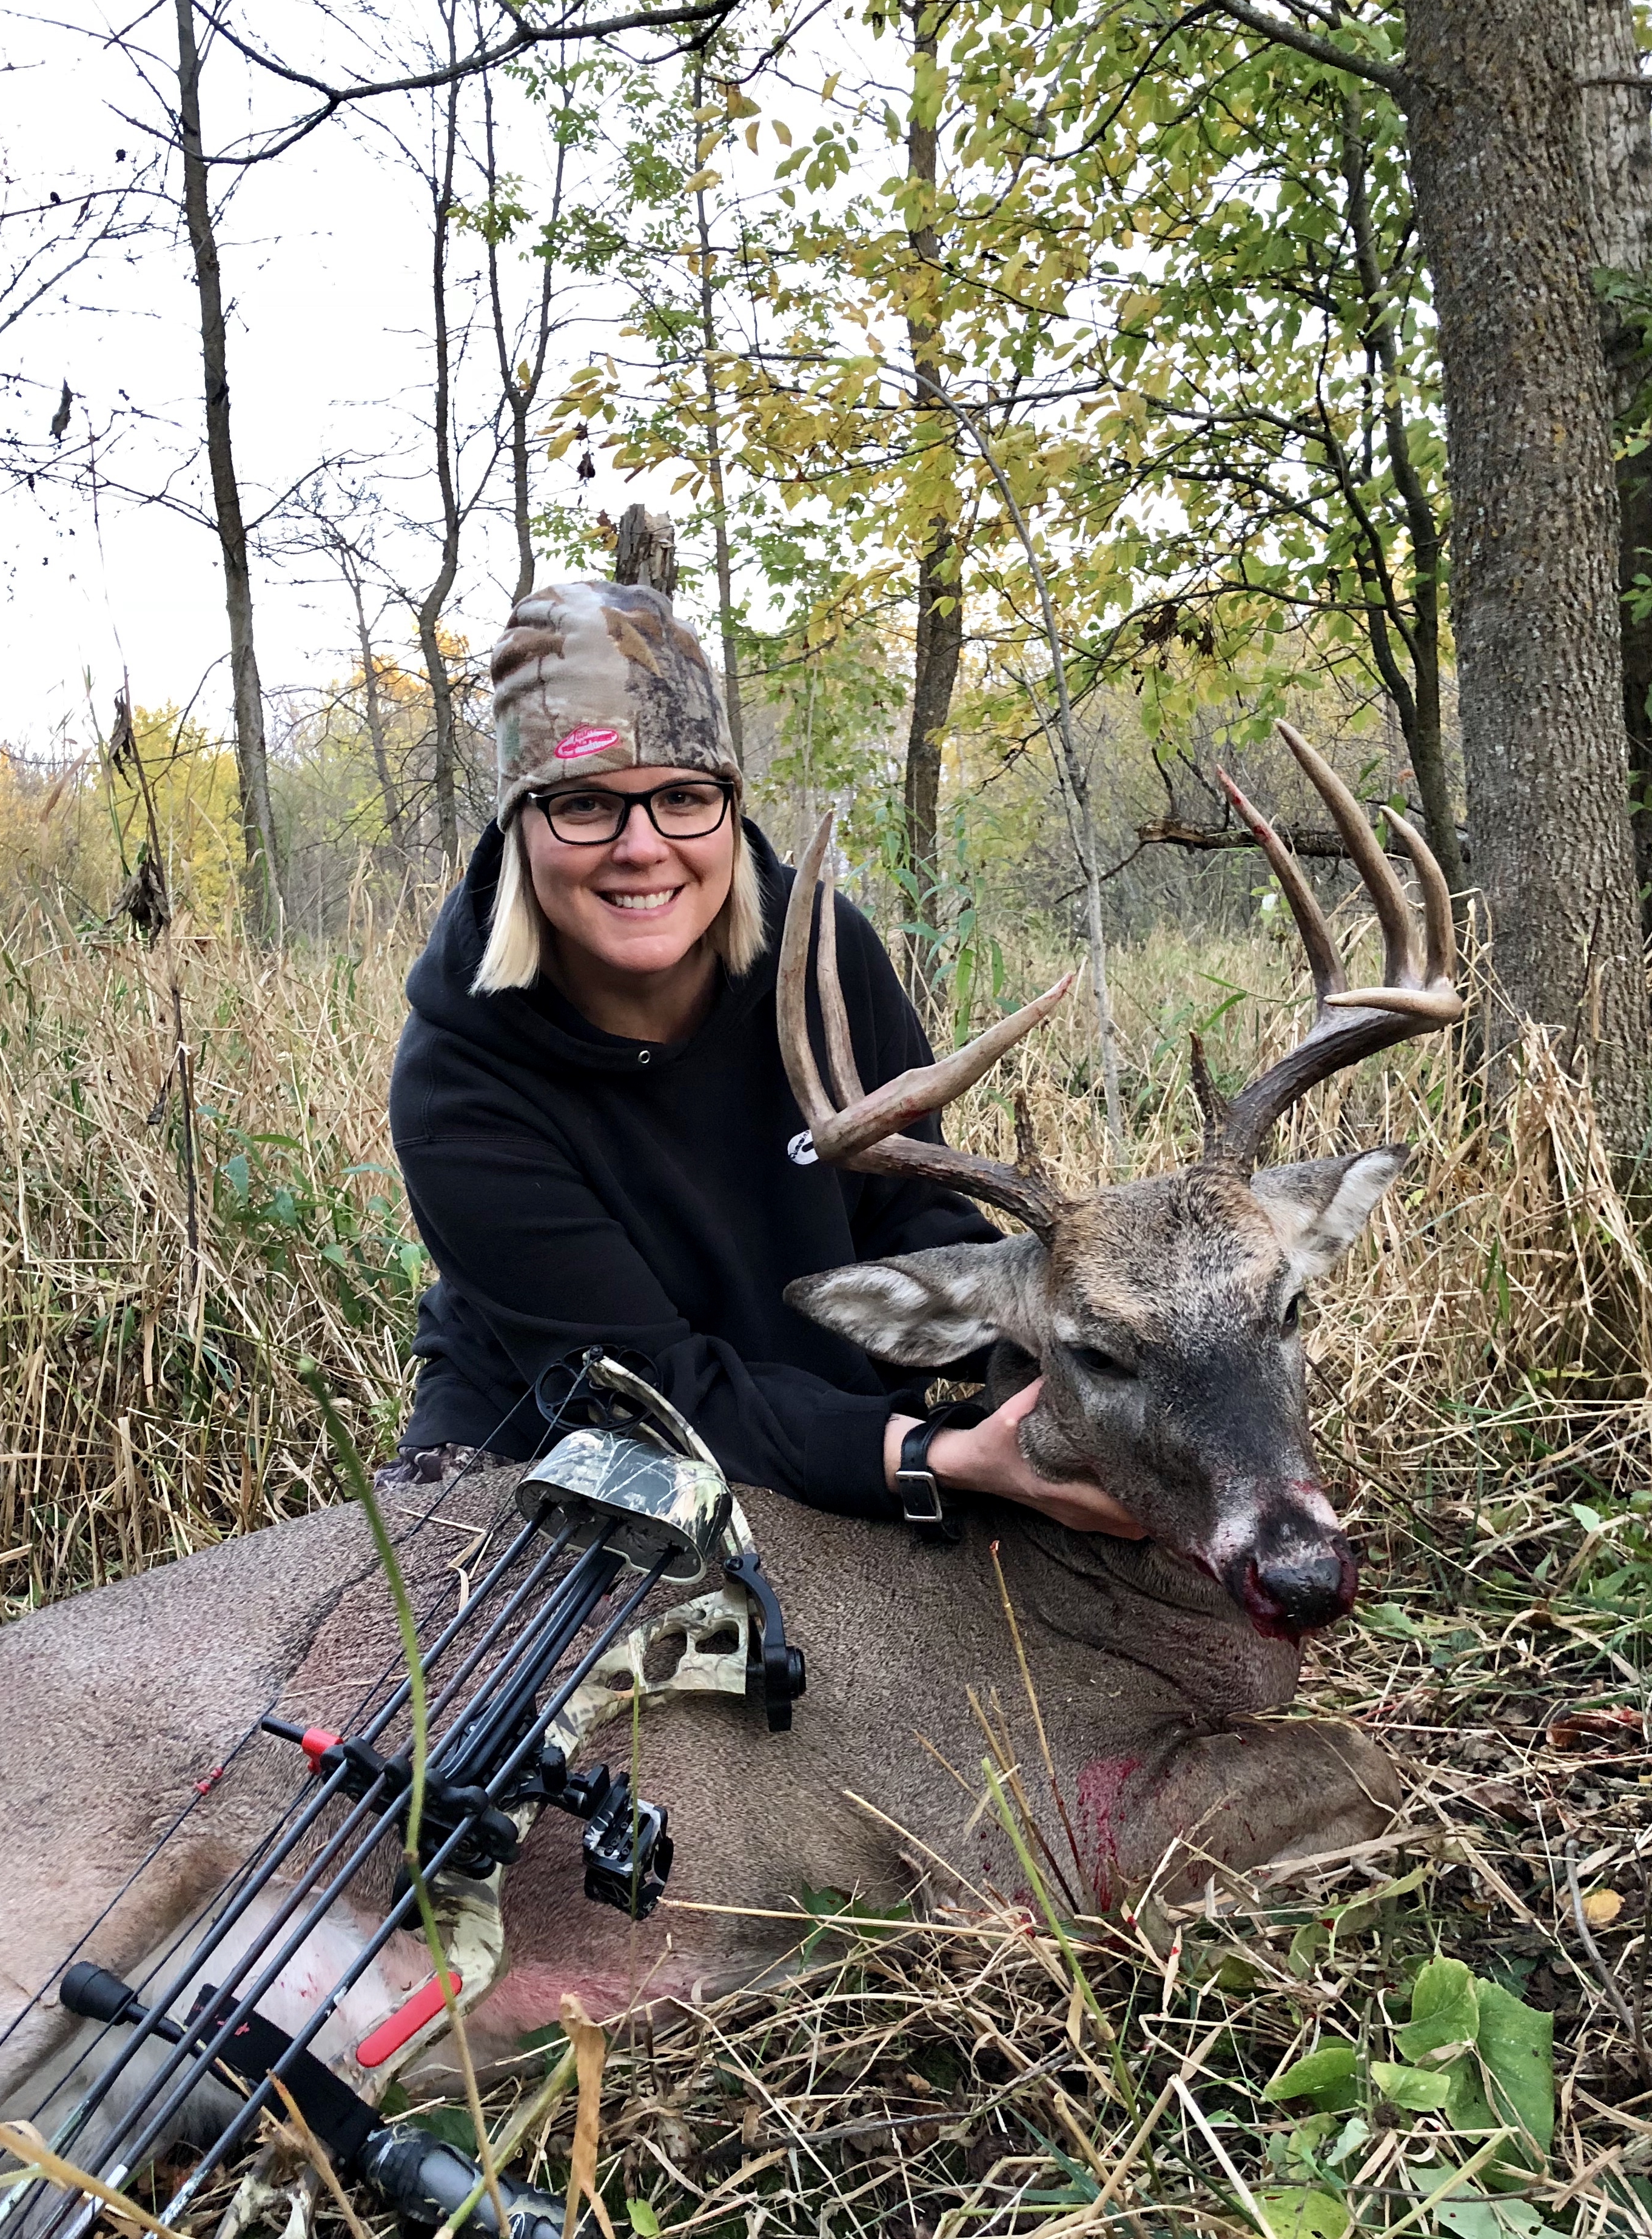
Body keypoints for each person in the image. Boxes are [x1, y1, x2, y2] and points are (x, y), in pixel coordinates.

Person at [385, 577, 1138, 1539]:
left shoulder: (822, 953)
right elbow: (637, 1389)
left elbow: (906, 1217)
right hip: (567, 1432)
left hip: (822, 1389)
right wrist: (928, 1455)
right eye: (582, 806)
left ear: (732, 809)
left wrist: (1053, 1323)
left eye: (685, 797)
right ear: (520, 823)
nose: (642, 848)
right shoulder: (460, 1078)